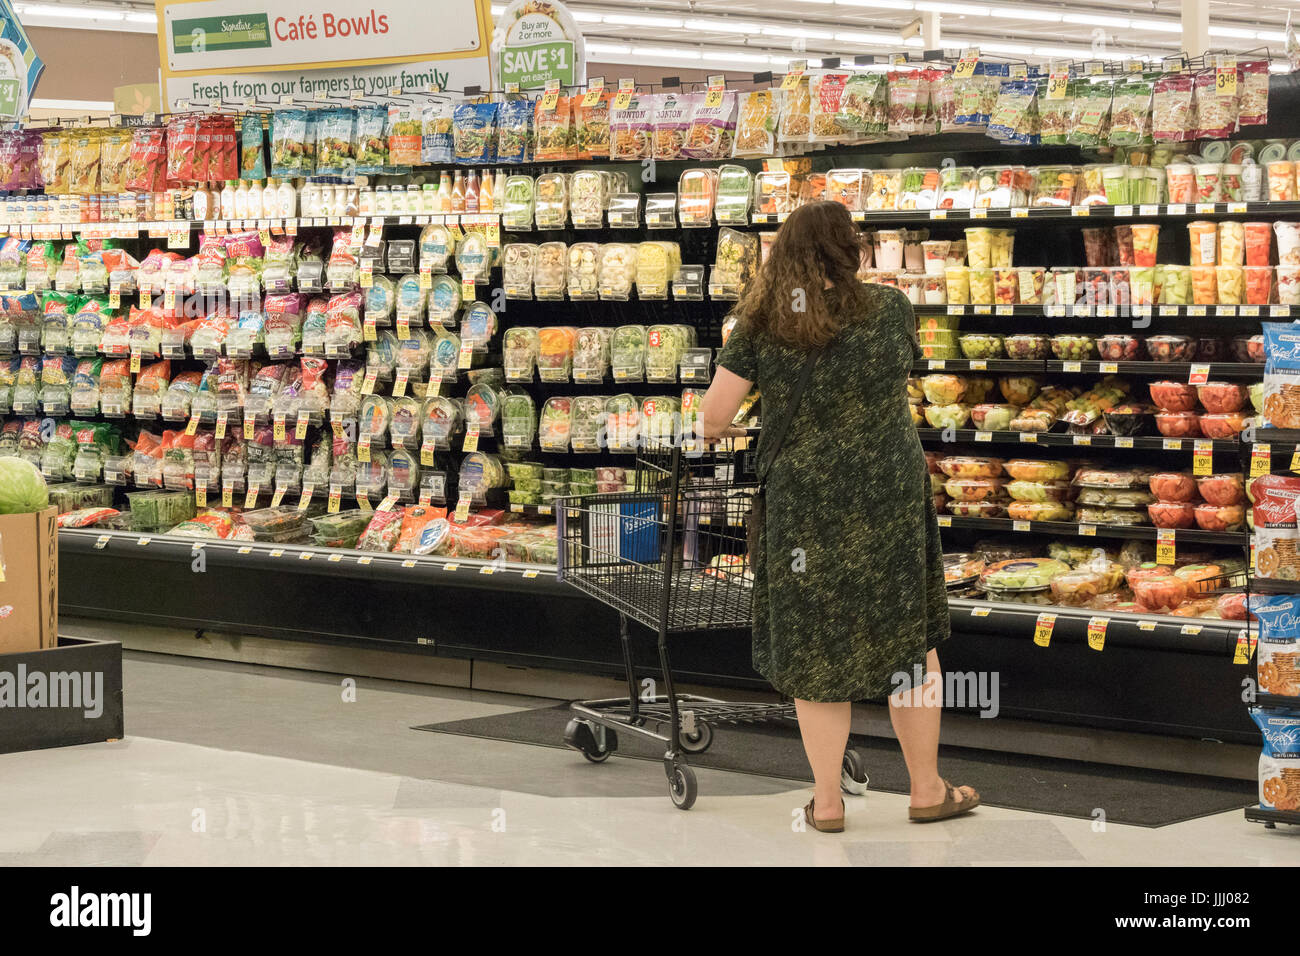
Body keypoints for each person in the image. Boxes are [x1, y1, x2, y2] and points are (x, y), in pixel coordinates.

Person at [697, 200, 979, 832]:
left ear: (784, 255)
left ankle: (827, 803)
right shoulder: (891, 308)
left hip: (806, 501)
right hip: (888, 496)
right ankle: (927, 789)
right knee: (910, 642)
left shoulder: (764, 322)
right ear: (850, 250)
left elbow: (714, 418)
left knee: (815, 644)